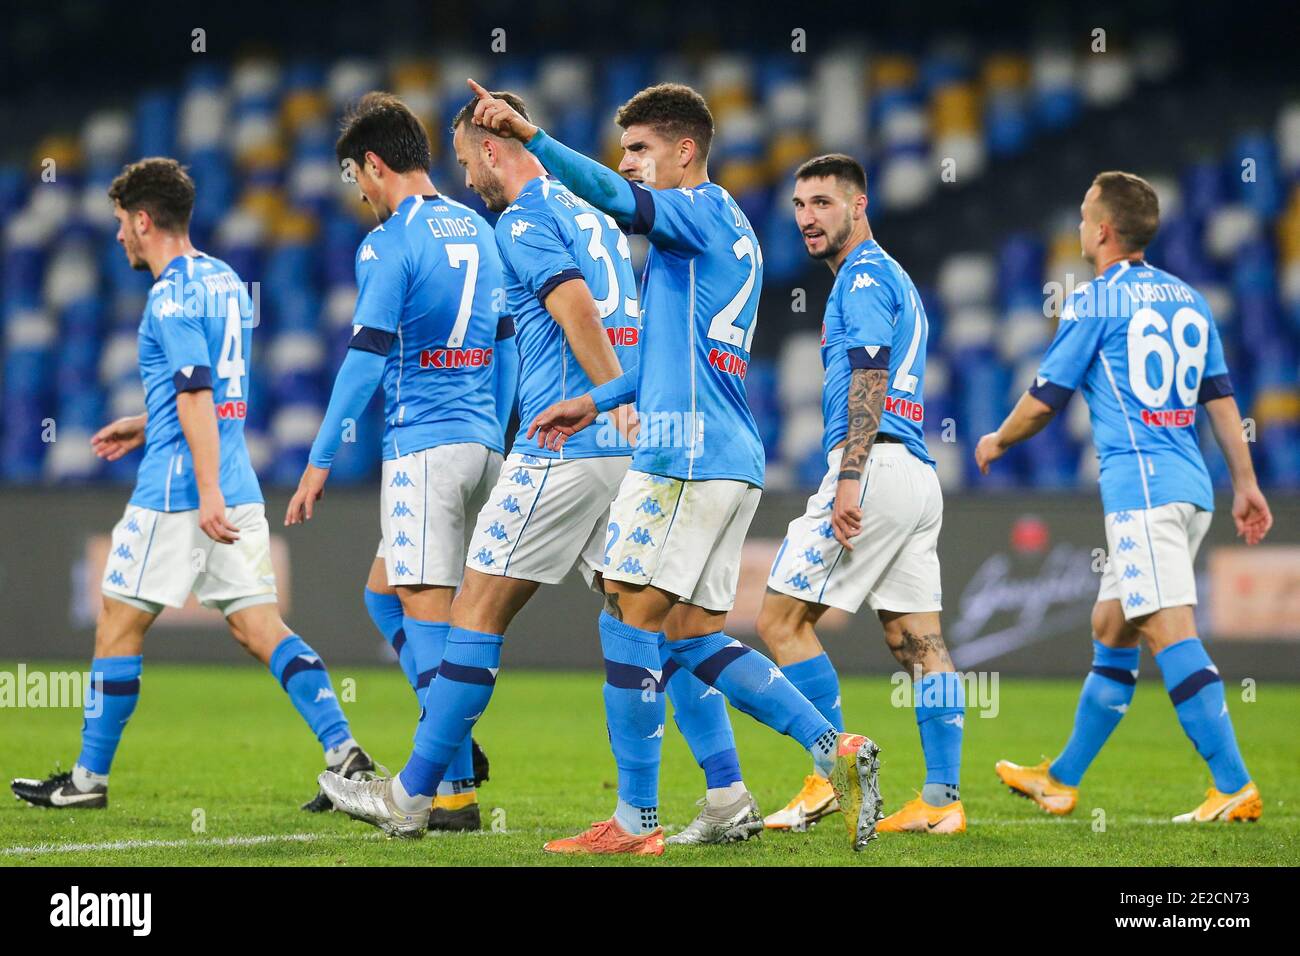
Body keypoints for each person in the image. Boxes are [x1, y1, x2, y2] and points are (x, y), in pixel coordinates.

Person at [11, 158, 371, 812]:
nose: (119, 236)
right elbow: (219, 393)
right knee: (260, 626)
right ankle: (344, 752)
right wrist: (147, 422)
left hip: (180, 493)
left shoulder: (170, 295)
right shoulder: (226, 281)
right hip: (235, 481)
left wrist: (201, 489)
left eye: (122, 224)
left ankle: (87, 782)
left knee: (117, 622)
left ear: (144, 220)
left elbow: (200, 394)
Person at [976, 171, 1271, 823]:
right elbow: (1220, 397)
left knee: (1169, 630)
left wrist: (998, 437)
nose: (1080, 226)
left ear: (1104, 231)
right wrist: (1245, 483)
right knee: (1112, 625)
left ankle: (1233, 784)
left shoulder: (1096, 302)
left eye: (1084, 215)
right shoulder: (1190, 299)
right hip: (1191, 487)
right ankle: (1061, 779)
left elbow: (1047, 398)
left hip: (1142, 491)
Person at [285, 93, 517, 830]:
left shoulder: (388, 244)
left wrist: (321, 457)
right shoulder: (481, 228)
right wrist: (499, 433)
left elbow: (366, 355)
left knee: (425, 606)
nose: (358, 191)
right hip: (481, 441)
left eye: (356, 175)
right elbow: (509, 340)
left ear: (376, 164)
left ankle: (448, 793)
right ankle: (456, 741)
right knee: (384, 594)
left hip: (423, 445)